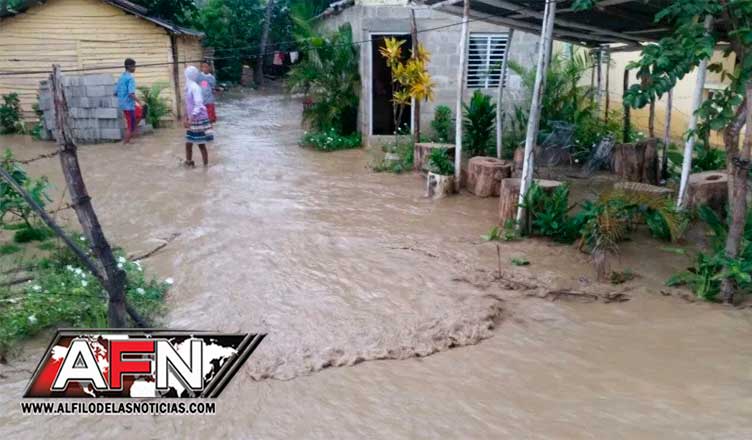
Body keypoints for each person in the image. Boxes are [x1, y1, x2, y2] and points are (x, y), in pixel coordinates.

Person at [183, 66, 213, 167]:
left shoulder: (195, 87)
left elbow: (198, 105)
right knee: (188, 143)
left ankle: (205, 166)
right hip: (192, 119)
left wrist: (190, 119)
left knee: (201, 144)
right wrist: (185, 117)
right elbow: (187, 104)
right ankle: (189, 162)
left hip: (198, 119)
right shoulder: (188, 87)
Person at [115, 58, 140, 144]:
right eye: (134, 66)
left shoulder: (121, 77)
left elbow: (115, 93)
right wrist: (140, 102)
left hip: (123, 104)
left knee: (138, 114)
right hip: (129, 105)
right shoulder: (130, 78)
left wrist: (122, 96)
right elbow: (131, 94)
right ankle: (126, 142)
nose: (135, 68)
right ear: (129, 67)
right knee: (130, 124)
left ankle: (130, 137)